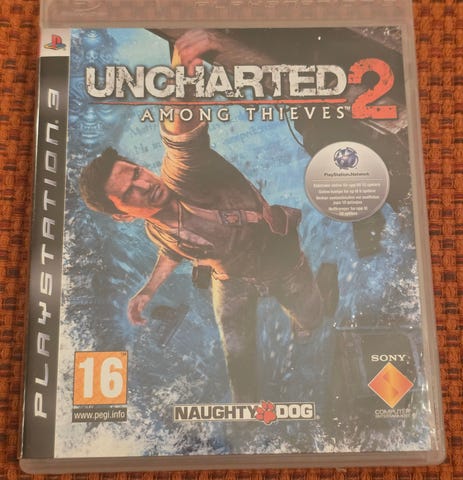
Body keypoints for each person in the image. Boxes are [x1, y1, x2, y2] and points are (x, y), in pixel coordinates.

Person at [79, 30, 324, 402]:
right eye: (129, 193)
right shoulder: (153, 228)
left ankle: (306, 333)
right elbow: (171, 249)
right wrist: (148, 290)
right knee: (236, 352)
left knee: (309, 316)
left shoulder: (183, 176)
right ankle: (245, 409)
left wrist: (182, 79)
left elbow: (182, 141)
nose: (144, 185)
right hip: (230, 279)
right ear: (123, 215)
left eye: (137, 173)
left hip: (280, 259)